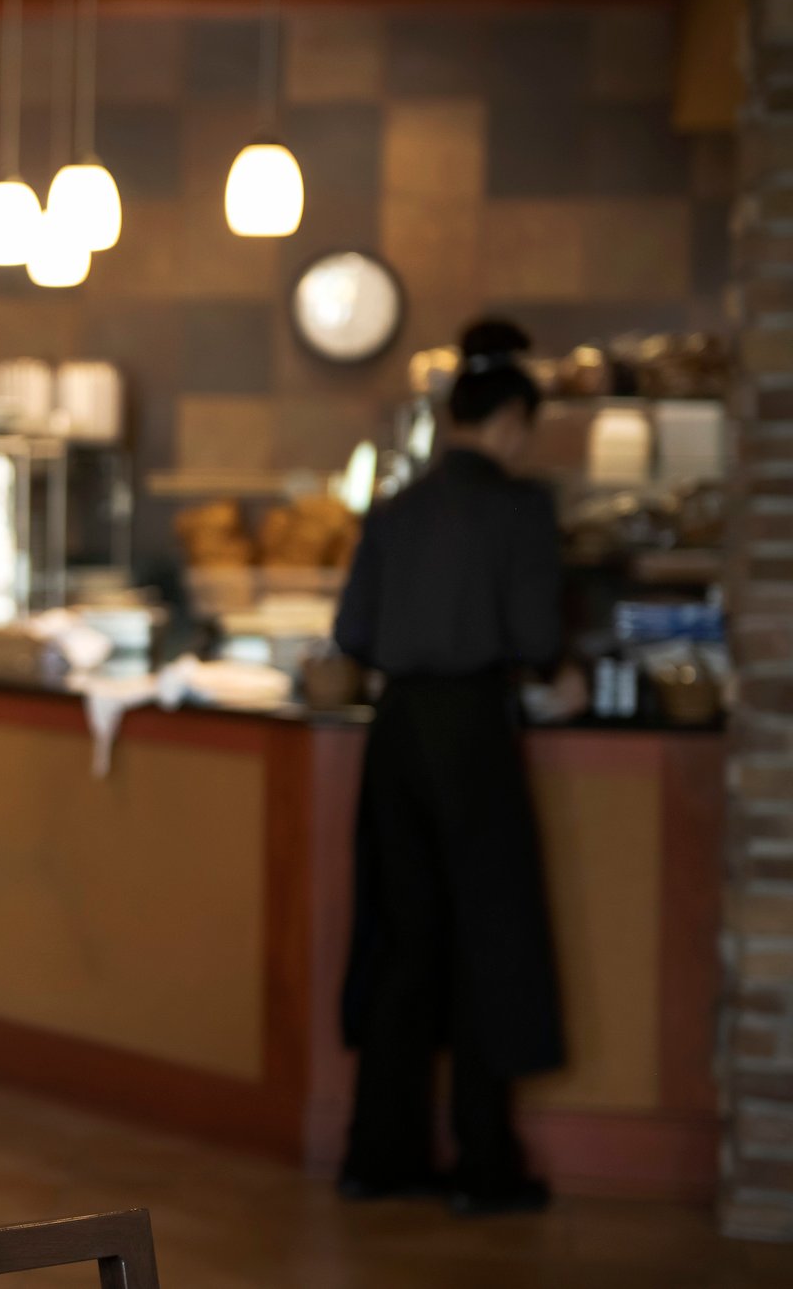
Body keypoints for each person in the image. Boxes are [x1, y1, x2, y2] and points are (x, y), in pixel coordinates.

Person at [331, 319, 583, 1217]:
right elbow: (537, 638)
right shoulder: (521, 508)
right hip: (475, 730)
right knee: (489, 941)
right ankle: (485, 1169)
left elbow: (353, 633)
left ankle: (377, 1155)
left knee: (402, 942)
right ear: (511, 417)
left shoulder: (396, 508)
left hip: (397, 734)